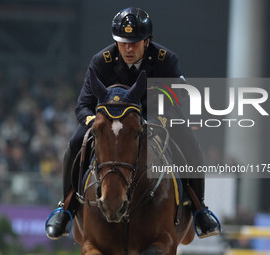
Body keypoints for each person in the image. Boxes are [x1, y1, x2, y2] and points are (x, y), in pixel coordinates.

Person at [45, 7, 220, 240]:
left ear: (147, 41)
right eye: (123, 42)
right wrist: (95, 123)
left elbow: (181, 94)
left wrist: (161, 118)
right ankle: (65, 208)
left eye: (134, 42)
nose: (128, 48)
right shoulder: (101, 62)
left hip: (156, 118)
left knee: (191, 144)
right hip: (110, 125)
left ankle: (200, 209)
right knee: (75, 144)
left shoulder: (165, 60)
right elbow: (83, 105)